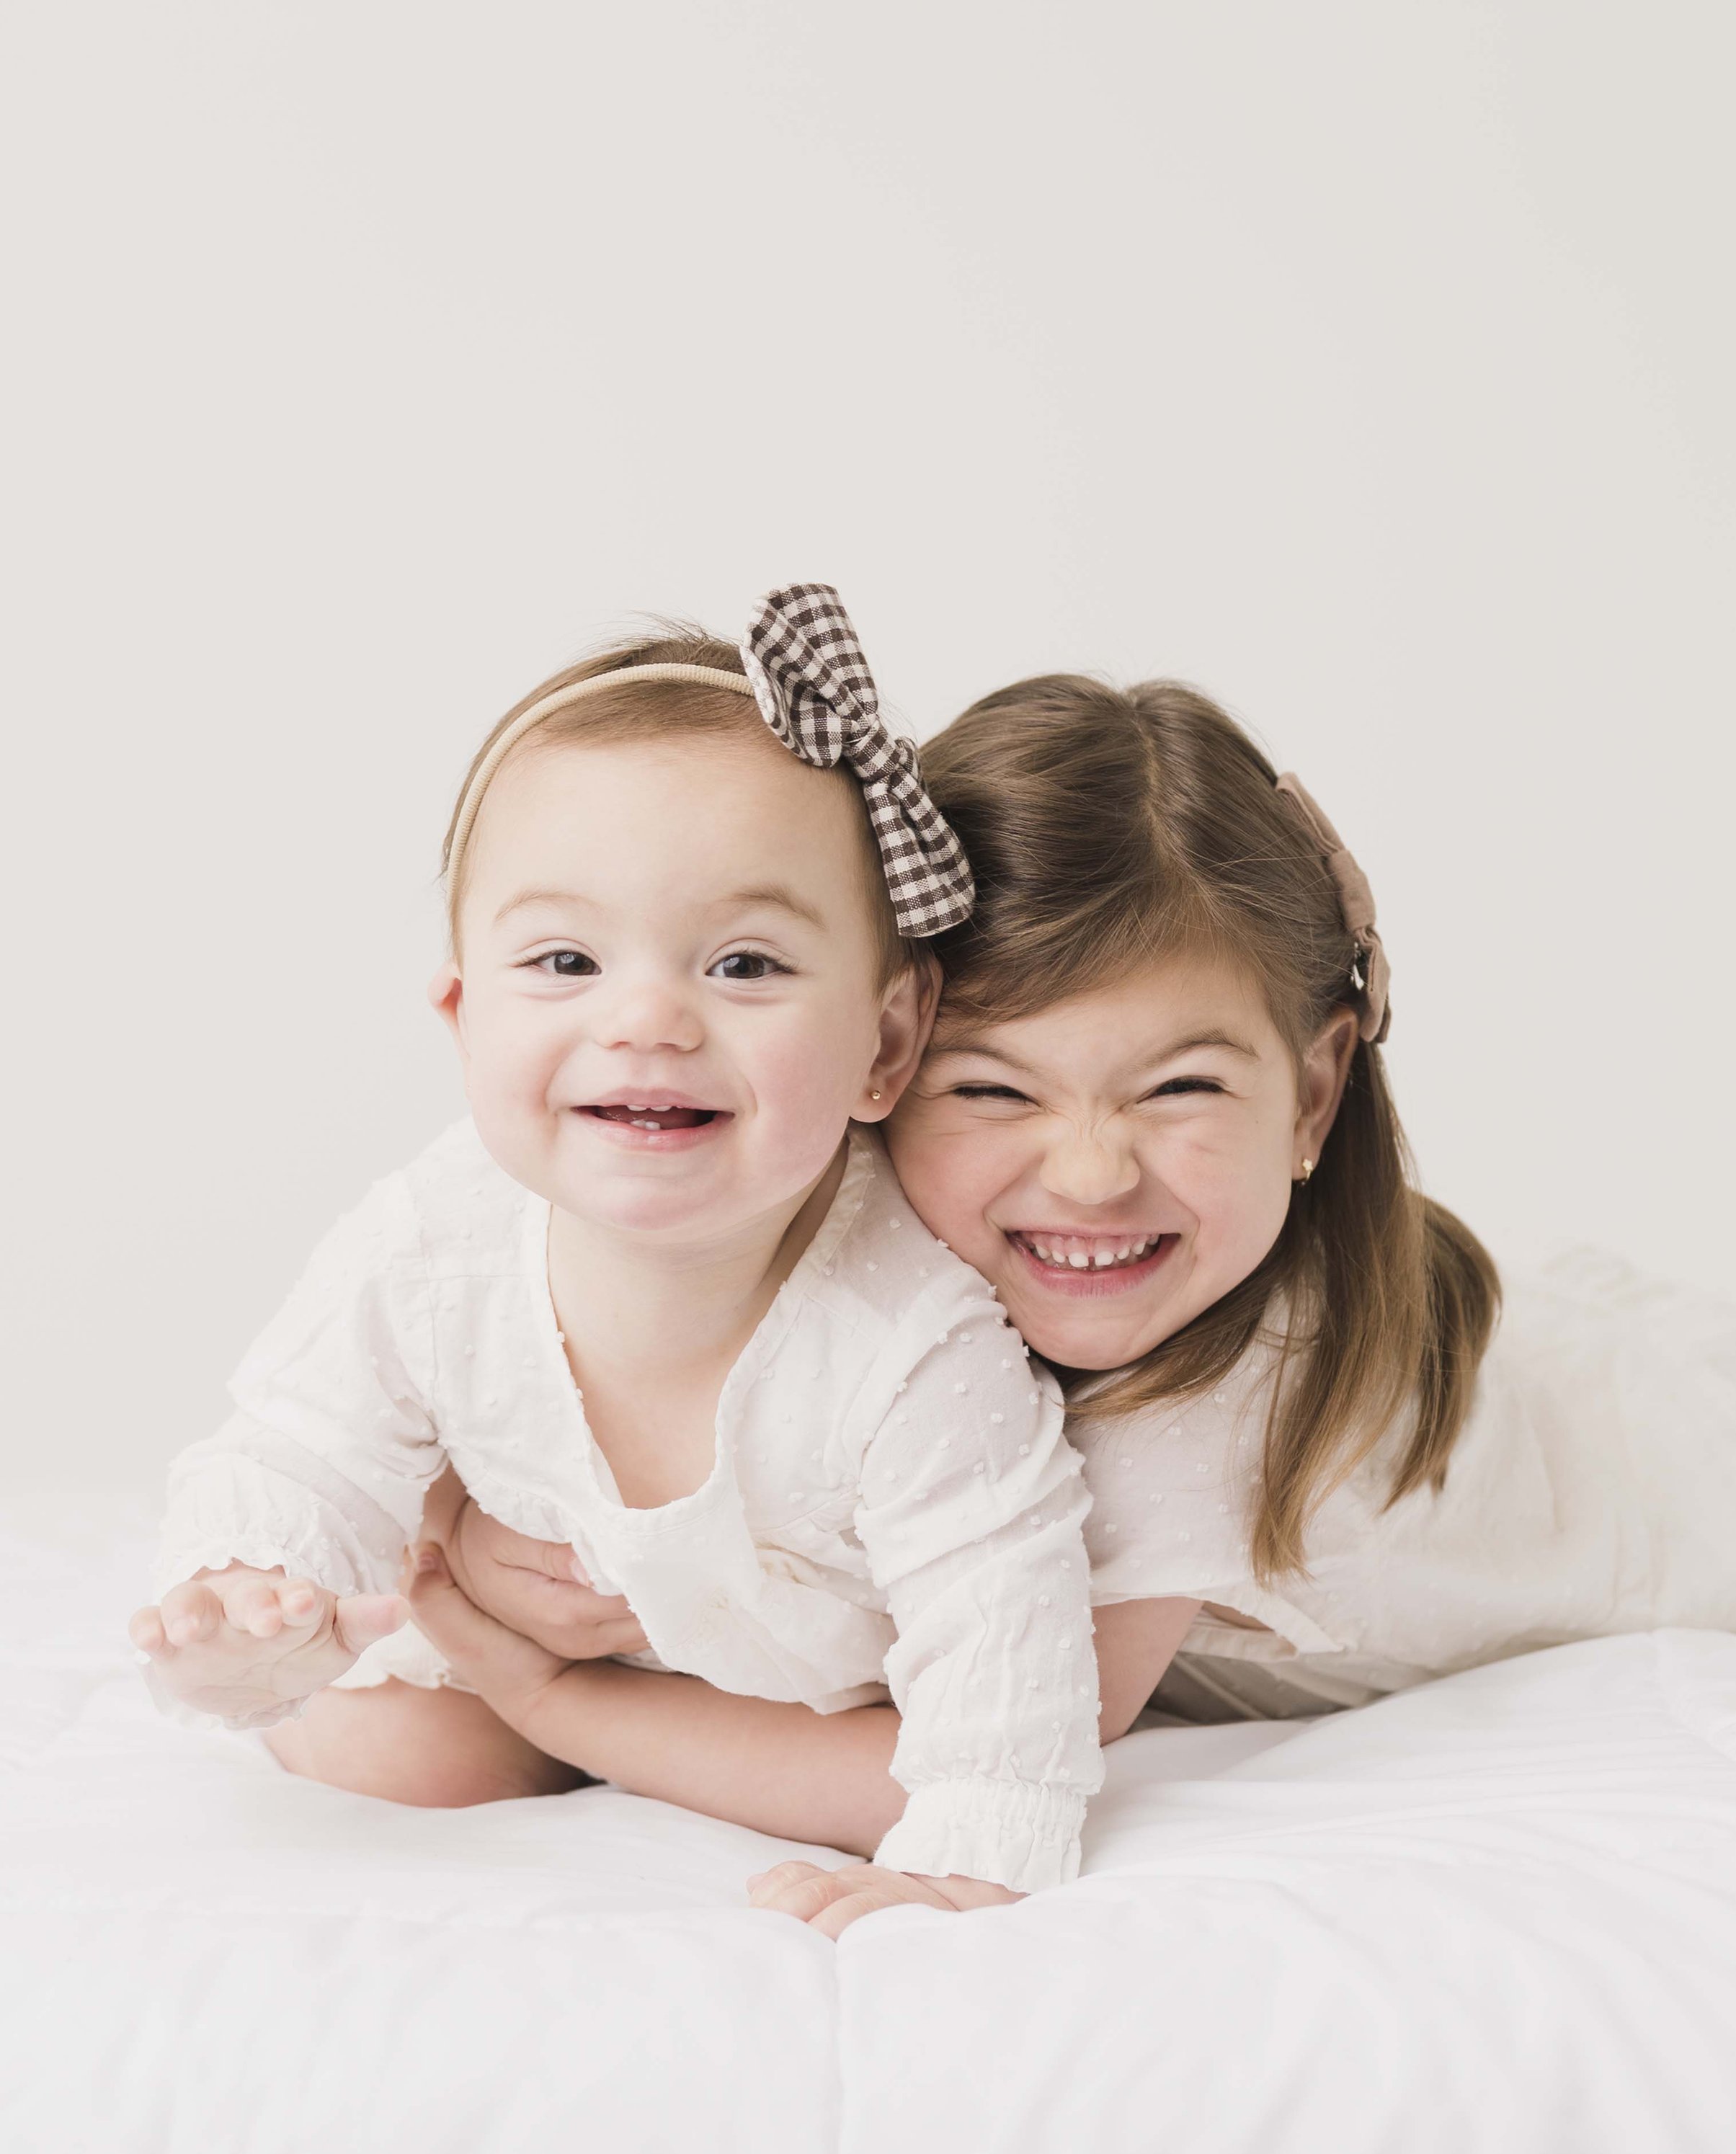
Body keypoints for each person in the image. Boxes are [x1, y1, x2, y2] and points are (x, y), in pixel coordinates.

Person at [387, 662, 1736, 1935]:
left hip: (1693, 1477)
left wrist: (557, 1697)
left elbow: (961, 1745)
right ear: (870, 1060)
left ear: (1310, 1090)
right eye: (993, 1088)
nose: (1085, 1169)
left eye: (1177, 1087)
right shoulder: (860, 1275)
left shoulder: (1212, 1391)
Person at [127, 587, 1105, 1909]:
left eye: (747, 965)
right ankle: (525, 1732)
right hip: (547, 1641)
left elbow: (1003, 1612)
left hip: (798, 1706)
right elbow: (306, 1444)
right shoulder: (436, 1239)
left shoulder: (911, 1334)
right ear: (464, 1016)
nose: (648, 1018)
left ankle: (629, 1752)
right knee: (376, 1751)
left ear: (884, 1043)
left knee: (896, 1792)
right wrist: (252, 1595)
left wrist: (976, 1850)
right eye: (567, 958)